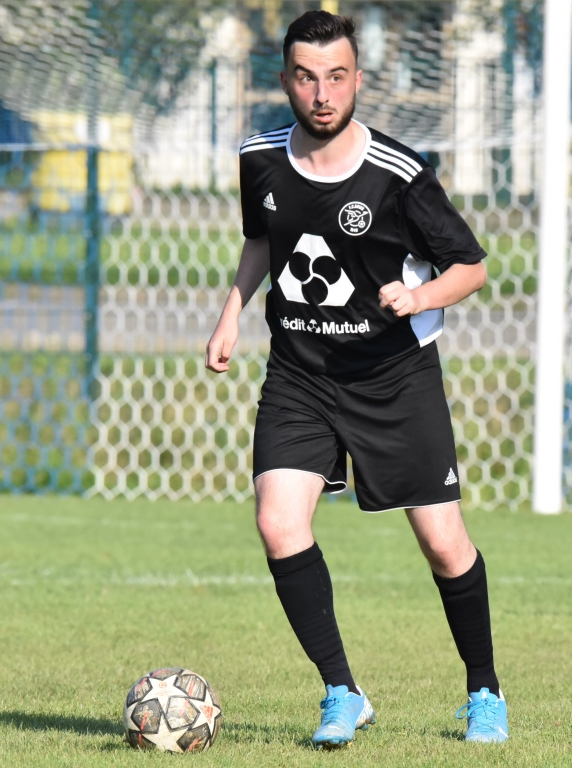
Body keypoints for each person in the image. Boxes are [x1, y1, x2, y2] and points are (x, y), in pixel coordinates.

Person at [205, 10, 507, 748]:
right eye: (307, 77)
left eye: (336, 77)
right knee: (279, 523)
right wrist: (231, 313)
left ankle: (485, 692)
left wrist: (420, 297)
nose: (322, 93)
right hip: (299, 376)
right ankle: (342, 691)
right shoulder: (259, 159)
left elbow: (471, 268)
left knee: (443, 543)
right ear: (285, 81)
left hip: (393, 378)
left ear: (358, 80)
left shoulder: (399, 174)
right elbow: (260, 240)